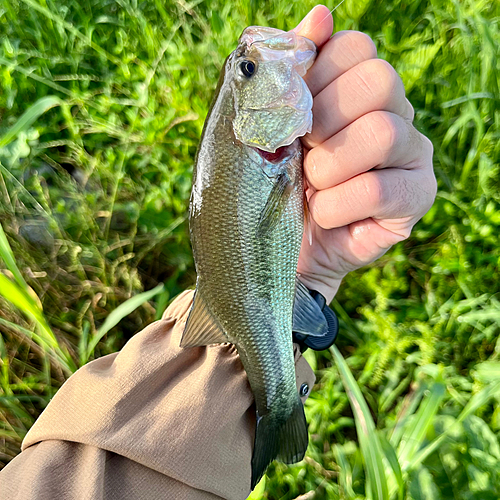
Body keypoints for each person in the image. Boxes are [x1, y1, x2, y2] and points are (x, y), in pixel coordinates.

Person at [0, 5, 436, 500]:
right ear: (248, 121)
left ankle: (275, 404)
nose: (251, 62)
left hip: (261, 287)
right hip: (258, 289)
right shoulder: (271, 153)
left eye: (246, 68)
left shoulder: (272, 151)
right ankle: (278, 406)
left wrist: (312, 275)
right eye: (248, 71)